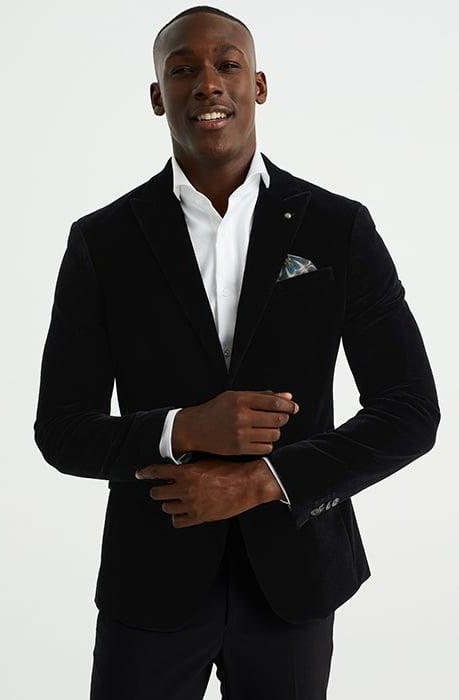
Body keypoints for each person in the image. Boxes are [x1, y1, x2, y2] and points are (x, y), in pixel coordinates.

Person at [33, 5, 441, 699]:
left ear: (258, 85)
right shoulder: (103, 241)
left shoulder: (336, 227)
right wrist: (183, 428)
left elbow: (410, 411)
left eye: (227, 64)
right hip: (150, 582)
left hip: (295, 581)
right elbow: (61, 430)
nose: (207, 83)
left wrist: (263, 480)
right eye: (182, 69)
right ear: (157, 96)